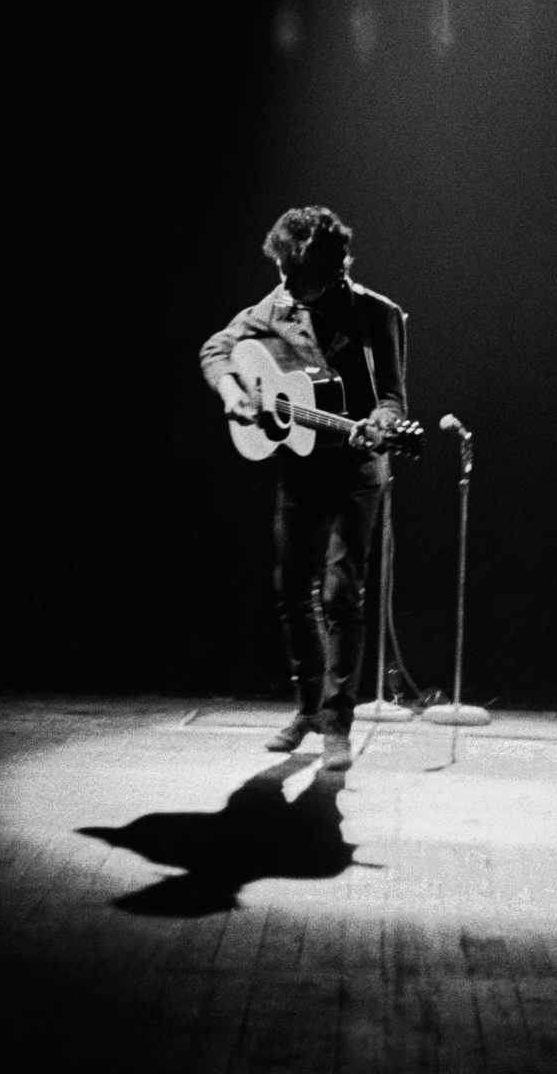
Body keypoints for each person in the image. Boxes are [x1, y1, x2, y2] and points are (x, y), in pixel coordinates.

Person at [199, 206, 409, 772]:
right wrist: (232, 393)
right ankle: (309, 707)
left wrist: (380, 429)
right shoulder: (275, 306)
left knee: (342, 595)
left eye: (295, 273)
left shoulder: (377, 315)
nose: (284, 283)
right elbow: (216, 349)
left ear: (333, 267)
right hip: (299, 470)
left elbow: (392, 399)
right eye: (281, 271)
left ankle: (338, 723)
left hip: (357, 473)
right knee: (292, 590)